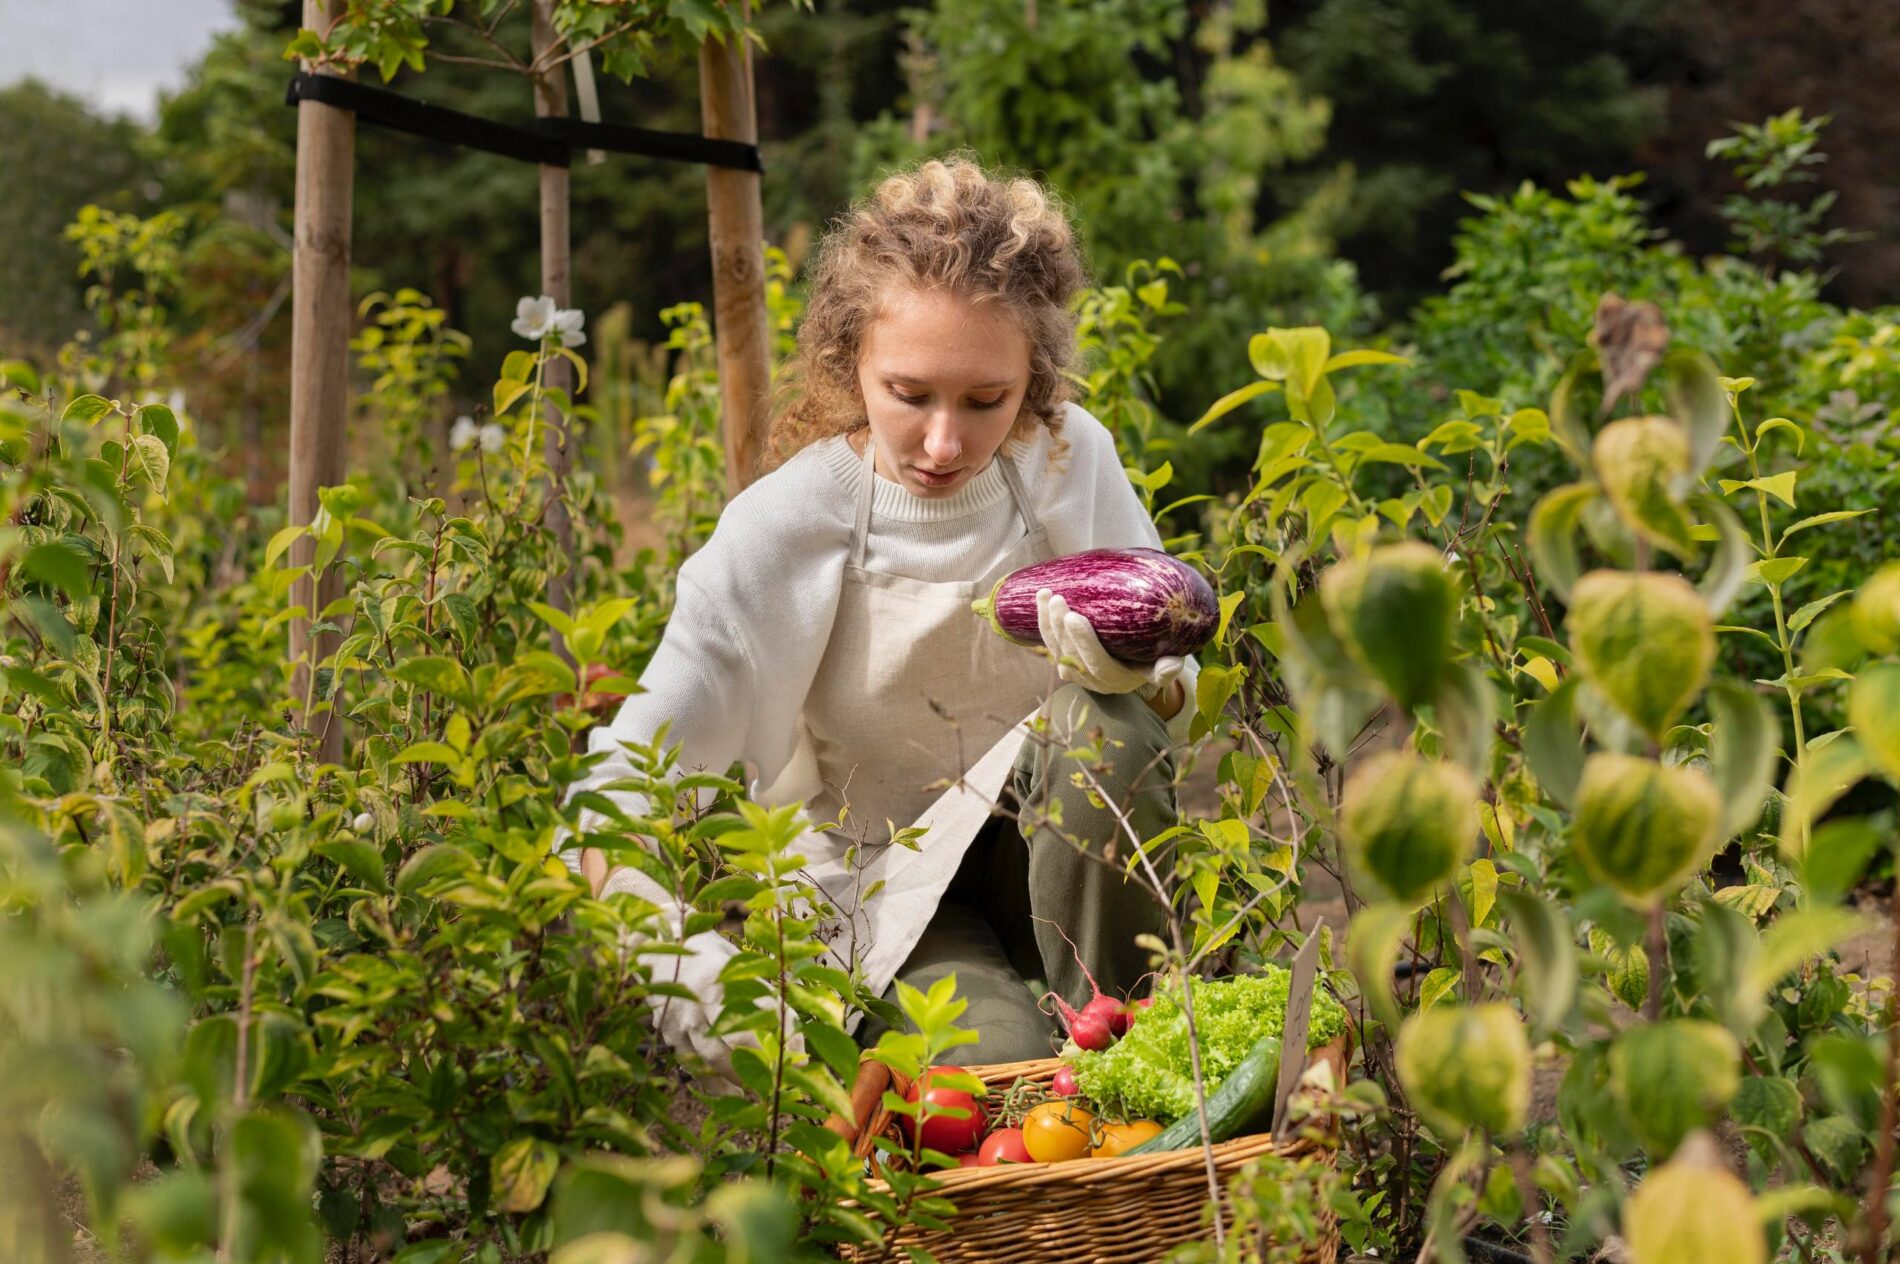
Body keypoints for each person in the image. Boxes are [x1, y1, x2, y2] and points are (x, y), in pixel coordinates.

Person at [562, 155, 1198, 1079]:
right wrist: (691, 976)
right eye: (909, 395)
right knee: (987, 1080)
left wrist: (1142, 678)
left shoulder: (1066, 462)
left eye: (987, 401)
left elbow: (1173, 693)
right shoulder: (784, 530)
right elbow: (615, 799)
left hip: (1059, 859)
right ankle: (1037, 1053)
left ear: (1036, 378)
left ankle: (1134, 1061)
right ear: (847, 357)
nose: (945, 444)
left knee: (1101, 727)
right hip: (886, 888)